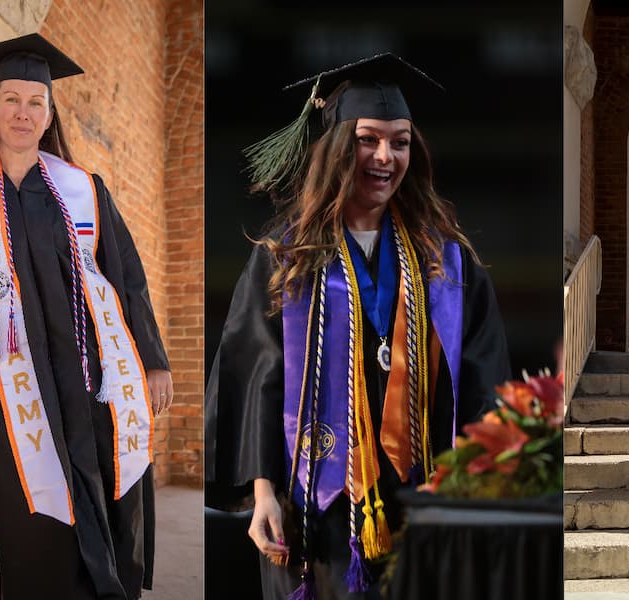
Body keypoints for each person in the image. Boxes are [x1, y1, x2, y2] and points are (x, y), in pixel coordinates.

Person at [203, 53, 511, 599]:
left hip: (419, 501)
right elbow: (254, 377)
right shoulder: (288, 257)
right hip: (312, 510)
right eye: (368, 139)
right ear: (338, 146)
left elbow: (485, 382)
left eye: (400, 141)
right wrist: (263, 492)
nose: (385, 156)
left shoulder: (447, 263)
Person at [0, 34, 171, 599]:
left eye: (36, 102)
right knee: (33, 511)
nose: (23, 113)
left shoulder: (82, 189)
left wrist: (153, 360)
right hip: (12, 382)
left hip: (90, 373)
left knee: (106, 482)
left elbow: (126, 276)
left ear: (50, 113)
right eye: (12, 98)